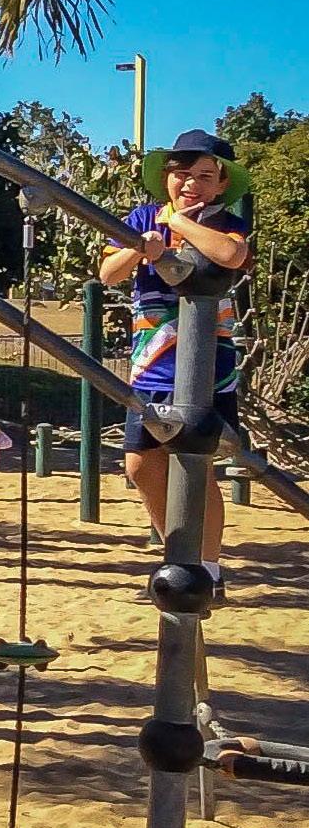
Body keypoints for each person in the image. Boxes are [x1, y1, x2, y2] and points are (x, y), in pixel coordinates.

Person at [98, 129, 254, 589]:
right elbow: (108, 273)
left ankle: (208, 569)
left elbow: (231, 254)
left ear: (221, 184)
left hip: (207, 364)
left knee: (196, 464)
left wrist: (178, 224)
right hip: (153, 363)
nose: (191, 184)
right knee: (140, 464)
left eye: (204, 176)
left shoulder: (225, 222)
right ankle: (181, 555)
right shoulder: (141, 217)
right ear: (166, 177)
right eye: (182, 174)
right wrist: (139, 247)